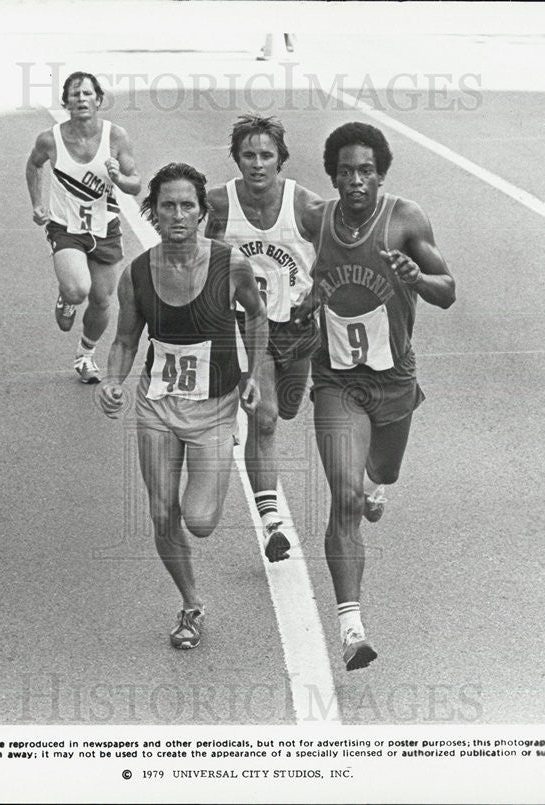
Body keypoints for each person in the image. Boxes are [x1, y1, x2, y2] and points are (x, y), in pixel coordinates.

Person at [303, 122, 455, 670]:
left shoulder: (405, 219)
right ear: (333, 176)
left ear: (381, 174)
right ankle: (351, 628)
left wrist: (416, 278)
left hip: (393, 381)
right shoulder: (317, 220)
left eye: (366, 170)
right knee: (344, 499)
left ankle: (374, 483)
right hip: (337, 381)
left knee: (382, 474)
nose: (356, 180)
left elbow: (449, 292)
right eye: (345, 171)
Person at [98, 162, 268, 650]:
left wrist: (253, 374)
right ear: (153, 213)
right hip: (158, 404)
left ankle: (220, 449)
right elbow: (126, 339)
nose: (177, 214)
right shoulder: (137, 273)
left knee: (201, 521)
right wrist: (112, 380)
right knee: (160, 511)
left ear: (201, 214)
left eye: (187, 205)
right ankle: (191, 603)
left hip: (215, 407)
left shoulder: (230, 264)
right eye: (167, 205)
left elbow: (256, 317)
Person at [205, 115, 324, 563]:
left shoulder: (306, 206)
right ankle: (272, 521)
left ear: (281, 160)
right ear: (236, 159)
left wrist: (321, 288)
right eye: (248, 155)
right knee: (268, 417)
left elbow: (339, 249)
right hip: (243, 324)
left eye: (266, 155)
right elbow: (191, 247)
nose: (257, 164)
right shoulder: (217, 203)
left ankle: (245, 410)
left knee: (289, 409)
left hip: (295, 326)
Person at [26, 71, 141, 383]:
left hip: (105, 228)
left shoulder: (115, 137)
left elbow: (136, 185)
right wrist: (38, 202)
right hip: (65, 227)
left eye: (87, 94)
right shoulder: (50, 139)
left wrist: (119, 178)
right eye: (75, 95)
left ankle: (85, 356)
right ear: (66, 103)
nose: (81, 99)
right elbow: (34, 165)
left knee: (103, 300)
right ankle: (67, 295)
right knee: (79, 289)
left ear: (98, 100)